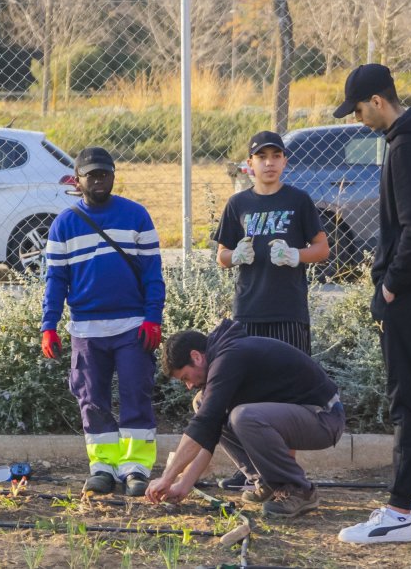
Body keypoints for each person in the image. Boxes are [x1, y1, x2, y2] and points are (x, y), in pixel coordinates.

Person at [332, 64, 411, 544]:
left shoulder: (405, 148)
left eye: (359, 109)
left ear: (378, 102)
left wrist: (391, 285)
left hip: (409, 289)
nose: (358, 118)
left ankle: (399, 511)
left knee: (407, 398)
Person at [41, 146, 165, 497]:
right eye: (91, 175)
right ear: (76, 181)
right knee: (91, 400)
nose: (98, 180)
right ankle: (103, 468)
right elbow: (55, 280)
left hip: (132, 327)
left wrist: (152, 318)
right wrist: (48, 325)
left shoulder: (137, 216)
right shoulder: (63, 224)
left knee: (135, 395)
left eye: (104, 174)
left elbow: (153, 274)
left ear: (113, 176)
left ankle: (136, 468)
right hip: (85, 330)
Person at [144, 320, 344, 518]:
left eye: (186, 378)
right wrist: (183, 485)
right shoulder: (222, 358)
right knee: (203, 403)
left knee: (244, 417)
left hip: (324, 416)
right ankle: (268, 481)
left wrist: (166, 478)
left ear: (196, 357)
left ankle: (299, 490)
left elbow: (203, 424)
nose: (189, 385)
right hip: (301, 415)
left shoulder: (229, 357)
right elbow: (209, 433)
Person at [213, 130, 330, 354]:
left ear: (284, 161)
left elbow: (322, 249)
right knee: (251, 381)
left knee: (291, 379)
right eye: (261, 156)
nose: (269, 163)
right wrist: (235, 255)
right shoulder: (238, 203)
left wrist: (296, 255)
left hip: (288, 310)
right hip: (248, 310)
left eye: (276, 156)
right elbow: (221, 256)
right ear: (250, 163)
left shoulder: (299, 200)